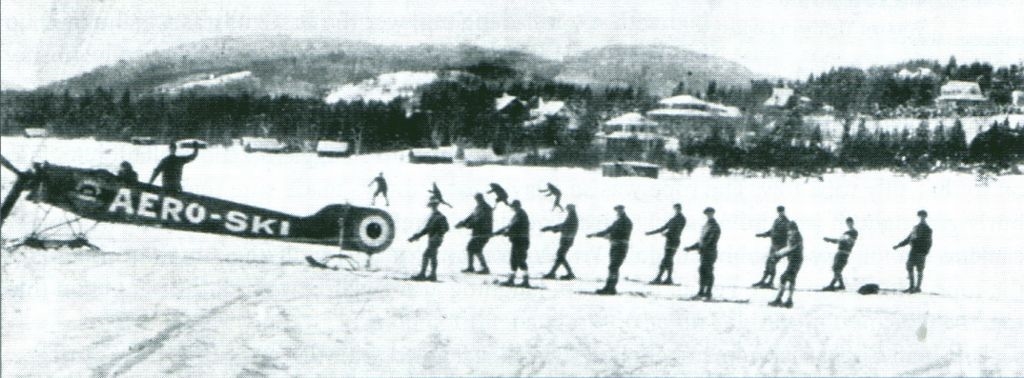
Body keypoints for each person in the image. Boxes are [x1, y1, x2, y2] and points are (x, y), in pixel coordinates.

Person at [587, 205, 633, 295]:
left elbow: (623, 233)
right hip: (615, 246)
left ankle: (611, 288)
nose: (618, 212)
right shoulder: (618, 221)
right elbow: (607, 231)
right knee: (612, 267)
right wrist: (594, 234)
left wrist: (611, 236)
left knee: (614, 267)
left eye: (619, 210)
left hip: (620, 246)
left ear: (623, 210)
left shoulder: (626, 221)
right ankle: (609, 287)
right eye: (617, 210)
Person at [407, 199, 449, 281]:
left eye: (433, 206)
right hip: (432, 239)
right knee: (433, 256)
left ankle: (423, 274)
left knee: (426, 255)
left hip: (435, 239)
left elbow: (446, 228)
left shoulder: (440, 216)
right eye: (431, 206)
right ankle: (433, 275)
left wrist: (438, 235)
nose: (432, 207)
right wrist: (416, 237)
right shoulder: (433, 216)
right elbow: (426, 229)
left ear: (436, 206)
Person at [684, 207, 721, 300]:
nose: (708, 215)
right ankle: (701, 292)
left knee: (708, 272)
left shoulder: (715, 226)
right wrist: (691, 248)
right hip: (704, 253)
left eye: (709, 213)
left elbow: (711, 241)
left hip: (710, 253)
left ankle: (708, 292)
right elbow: (701, 241)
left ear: (713, 213)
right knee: (702, 271)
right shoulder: (706, 226)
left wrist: (700, 248)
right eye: (706, 214)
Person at [646, 203, 687, 285]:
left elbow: (677, 230)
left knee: (666, 259)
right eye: (676, 208)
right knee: (668, 259)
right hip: (670, 240)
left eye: (678, 208)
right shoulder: (673, 219)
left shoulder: (681, 218)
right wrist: (651, 233)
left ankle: (660, 277)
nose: (677, 210)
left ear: (680, 209)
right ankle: (668, 278)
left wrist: (666, 234)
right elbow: (663, 227)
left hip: (674, 241)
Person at [893, 210, 932, 293]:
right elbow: (908, 239)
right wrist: (898, 245)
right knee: (909, 267)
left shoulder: (928, 229)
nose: (921, 218)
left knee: (920, 269)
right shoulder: (915, 228)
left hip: (921, 251)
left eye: (923, 216)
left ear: (925, 217)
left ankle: (918, 288)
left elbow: (928, 242)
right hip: (913, 251)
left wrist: (925, 252)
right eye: (920, 216)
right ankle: (911, 286)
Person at [494, 200, 530, 287]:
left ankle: (525, 281)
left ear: (517, 206)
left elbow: (514, 227)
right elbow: (510, 226)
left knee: (521, 260)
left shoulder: (520, 214)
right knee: (514, 260)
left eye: (512, 206)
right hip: (517, 240)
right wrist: (499, 231)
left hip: (520, 240)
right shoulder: (518, 214)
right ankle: (512, 279)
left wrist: (506, 232)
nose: (511, 208)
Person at [752, 205, 790, 289]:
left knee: (772, 262)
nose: (780, 212)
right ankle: (763, 280)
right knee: (768, 262)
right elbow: (772, 231)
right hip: (774, 245)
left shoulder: (786, 222)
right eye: (779, 211)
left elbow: (784, 234)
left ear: (784, 211)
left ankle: (770, 282)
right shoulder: (777, 220)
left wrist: (770, 234)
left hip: (780, 246)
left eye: (781, 211)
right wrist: (764, 234)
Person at [455, 193, 492, 274]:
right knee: (472, 248)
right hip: (477, 232)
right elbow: (471, 216)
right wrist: (462, 223)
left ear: (482, 198)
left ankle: (484, 268)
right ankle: (472, 267)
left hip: (484, 232)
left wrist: (467, 225)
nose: (477, 200)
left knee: (475, 248)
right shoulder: (478, 207)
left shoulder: (486, 208)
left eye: (478, 198)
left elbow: (480, 220)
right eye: (476, 199)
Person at [769, 221, 803, 308]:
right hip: (796, 260)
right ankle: (788, 300)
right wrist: (779, 254)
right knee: (790, 279)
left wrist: (778, 254)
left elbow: (790, 248)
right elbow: (791, 248)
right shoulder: (797, 235)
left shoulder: (794, 235)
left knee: (784, 278)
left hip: (795, 260)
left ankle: (780, 299)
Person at [540, 204, 578, 280]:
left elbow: (564, 227)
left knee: (560, 255)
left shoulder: (572, 217)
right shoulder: (572, 217)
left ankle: (568, 273)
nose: (567, 210)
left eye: (568, 208)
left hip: (567, 240)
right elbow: (564, 226)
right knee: (560, 256)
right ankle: (554, 273)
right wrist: (552, 228)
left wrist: (550, 228)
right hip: (567, 239)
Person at [822, 217, 859, 291]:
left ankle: (832, 285)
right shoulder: (846, 233)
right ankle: (841, 285)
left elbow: (848, 241)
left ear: (852, 222)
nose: (849, 224)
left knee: (836, 269)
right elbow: (839, 241)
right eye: (848, 222)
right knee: (836, 268)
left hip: (844, 253)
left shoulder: (854, 232)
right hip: (840, 252)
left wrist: (831, 240)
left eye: (850, 222)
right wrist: (829, 240)